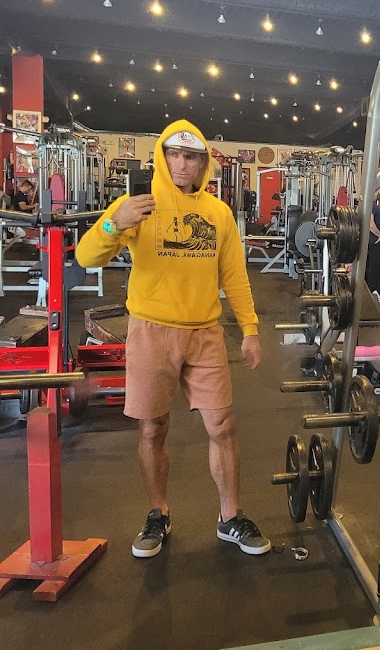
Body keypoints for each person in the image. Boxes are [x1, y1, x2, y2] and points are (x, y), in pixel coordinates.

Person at [76, 120, 269, 560]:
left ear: (203, 163)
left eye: (192, 156)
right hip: (151, 331)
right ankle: (157, 513)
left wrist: (251, 329)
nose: (182, 164)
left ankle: (230, 517)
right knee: (153, 428)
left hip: (205, 333)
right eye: (175, 154)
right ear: (162, 158)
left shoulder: (218, 213)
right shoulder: (137, 205)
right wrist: (114, 224)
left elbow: (235, 277)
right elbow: (86, 256)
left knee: (224, 426)